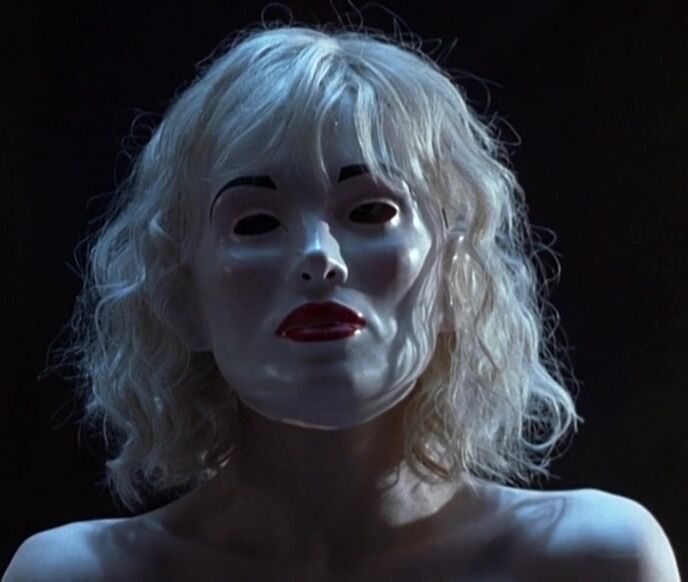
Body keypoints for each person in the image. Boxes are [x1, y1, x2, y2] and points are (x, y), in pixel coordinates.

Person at [4, 17, 680, 582]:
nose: (319, 258)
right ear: (181, 297)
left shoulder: (594, 560)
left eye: (371, 211)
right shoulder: (74, 574)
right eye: (256, 222)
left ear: (456, 274)